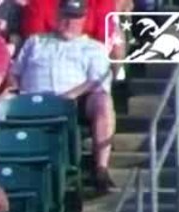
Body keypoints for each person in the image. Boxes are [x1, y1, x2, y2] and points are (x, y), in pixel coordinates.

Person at [8, 0, 117, 192]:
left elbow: (96, 80)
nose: (69, 22)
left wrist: (71, 95)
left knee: (103, 100)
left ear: (83, 19)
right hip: (30, 100)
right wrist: (11, 88)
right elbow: (15, 73)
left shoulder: (94, 48)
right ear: (57, 16)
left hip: (73, 102)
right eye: (66, 16)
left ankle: (100, 168)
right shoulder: (36, 42)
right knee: (2, 101)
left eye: (75, 17)